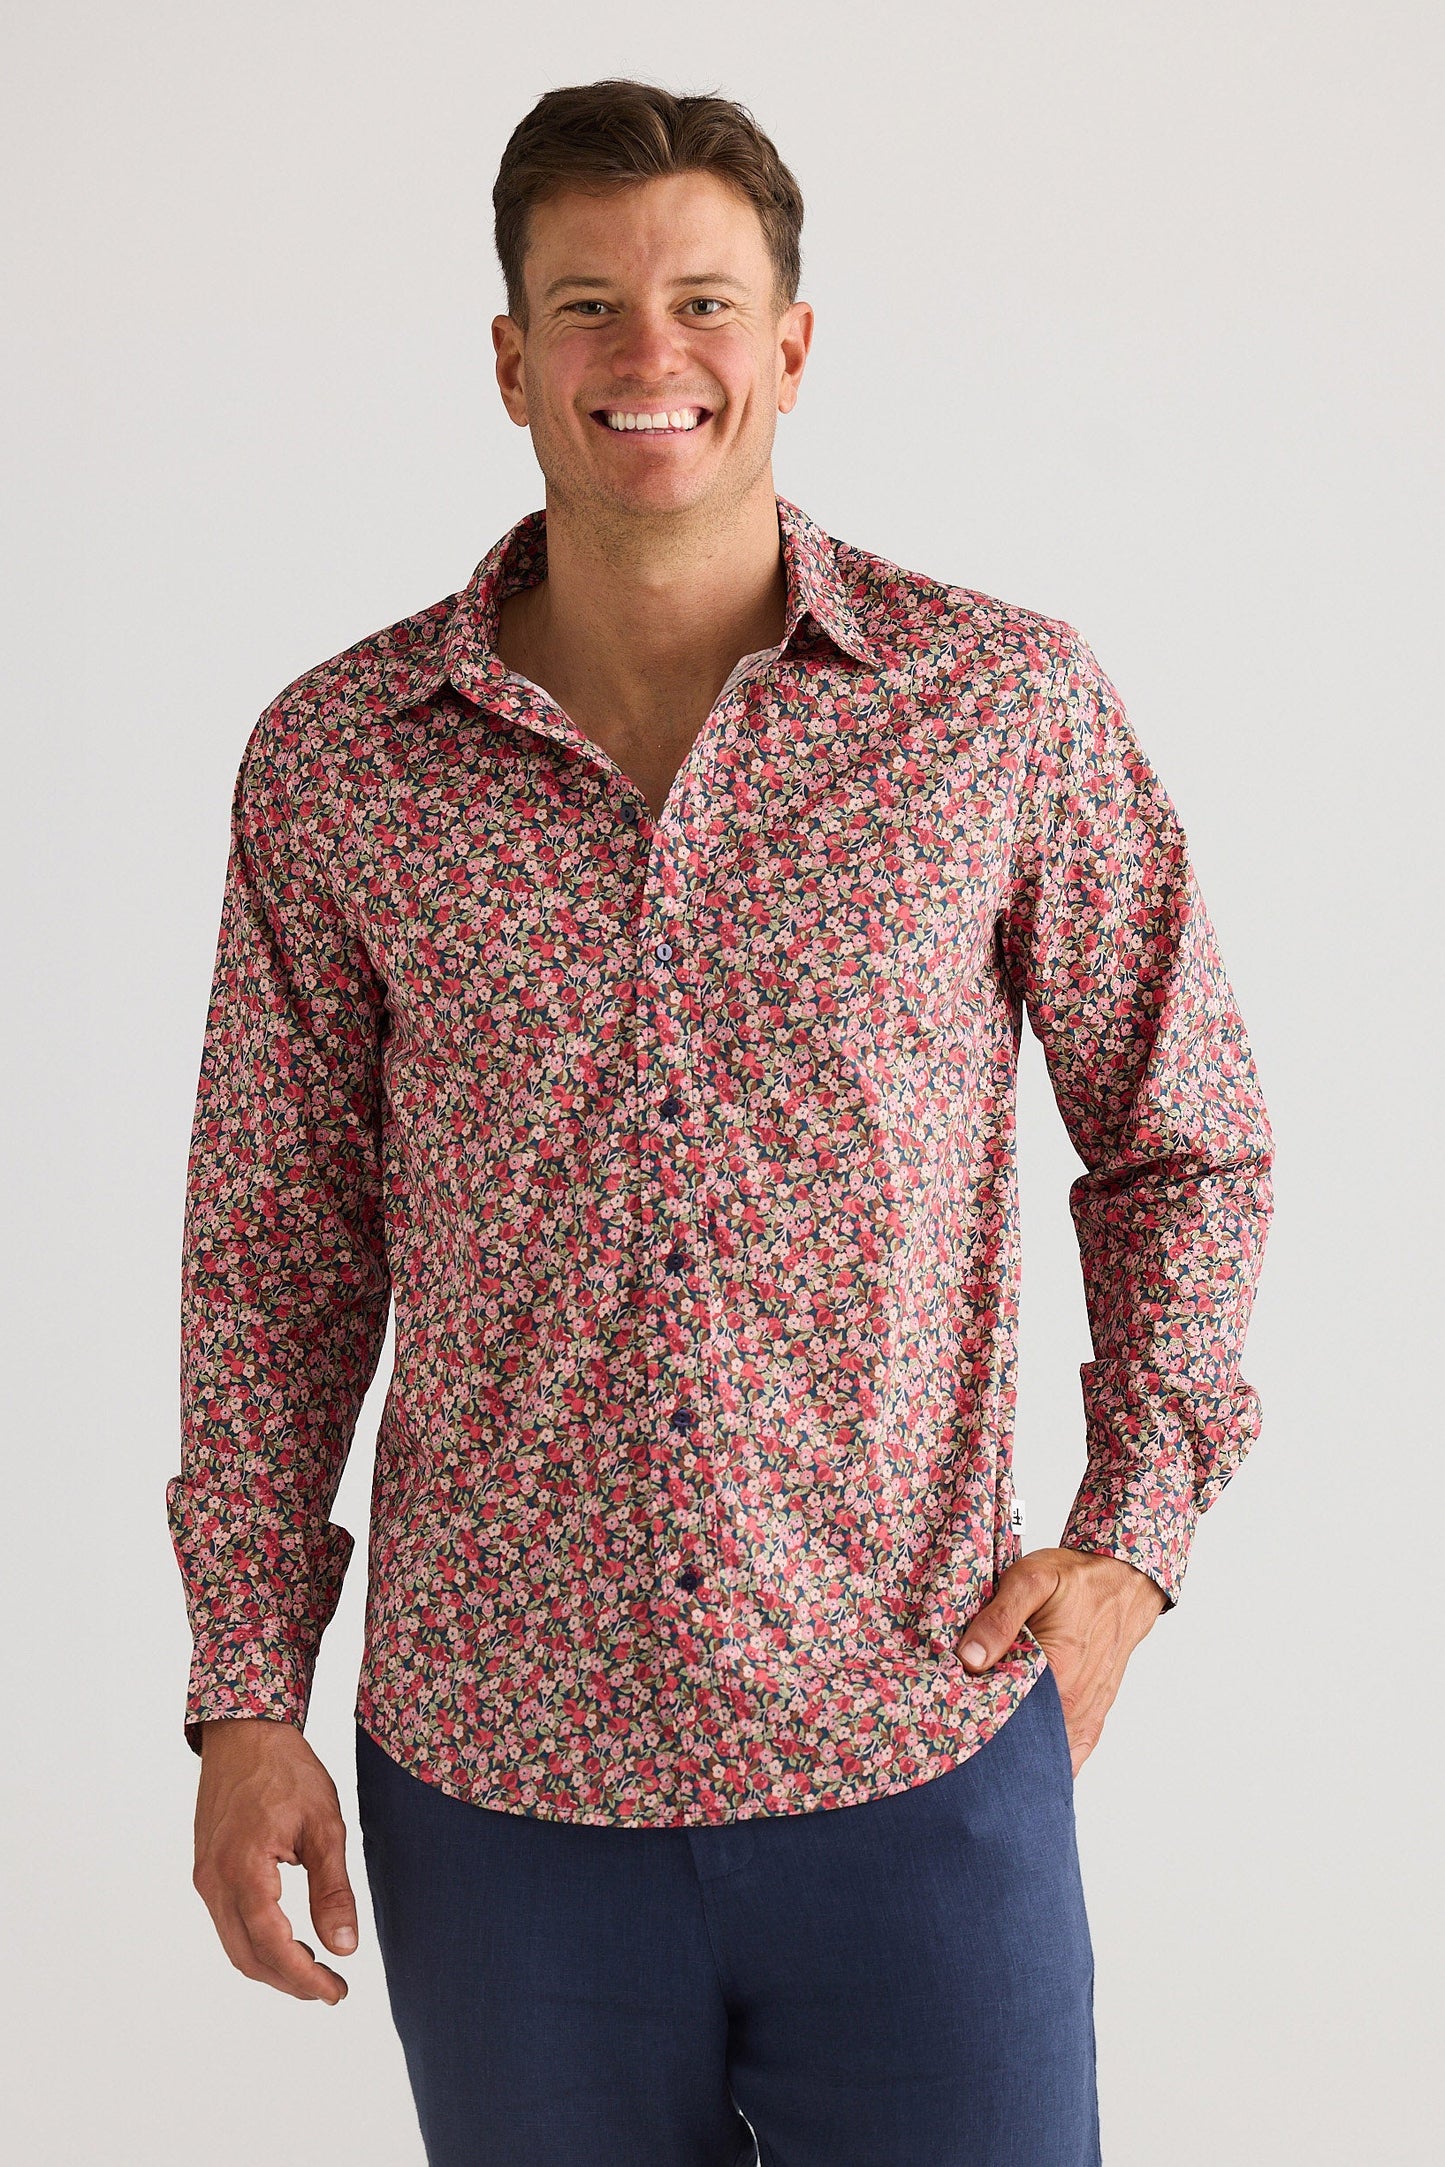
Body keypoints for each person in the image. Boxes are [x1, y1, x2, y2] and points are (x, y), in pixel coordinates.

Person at [166, 78, 1274, 2167]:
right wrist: (245, 1691)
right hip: (500, 1803)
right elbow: (273, 1253)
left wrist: (1132, 1537)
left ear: (790, 343)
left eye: (700, 299)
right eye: (585, 304)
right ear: (509, 358)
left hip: (917, 1757)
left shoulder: (999, 708)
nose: (644, 355)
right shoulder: (339, 764)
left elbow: (1184, 1133)